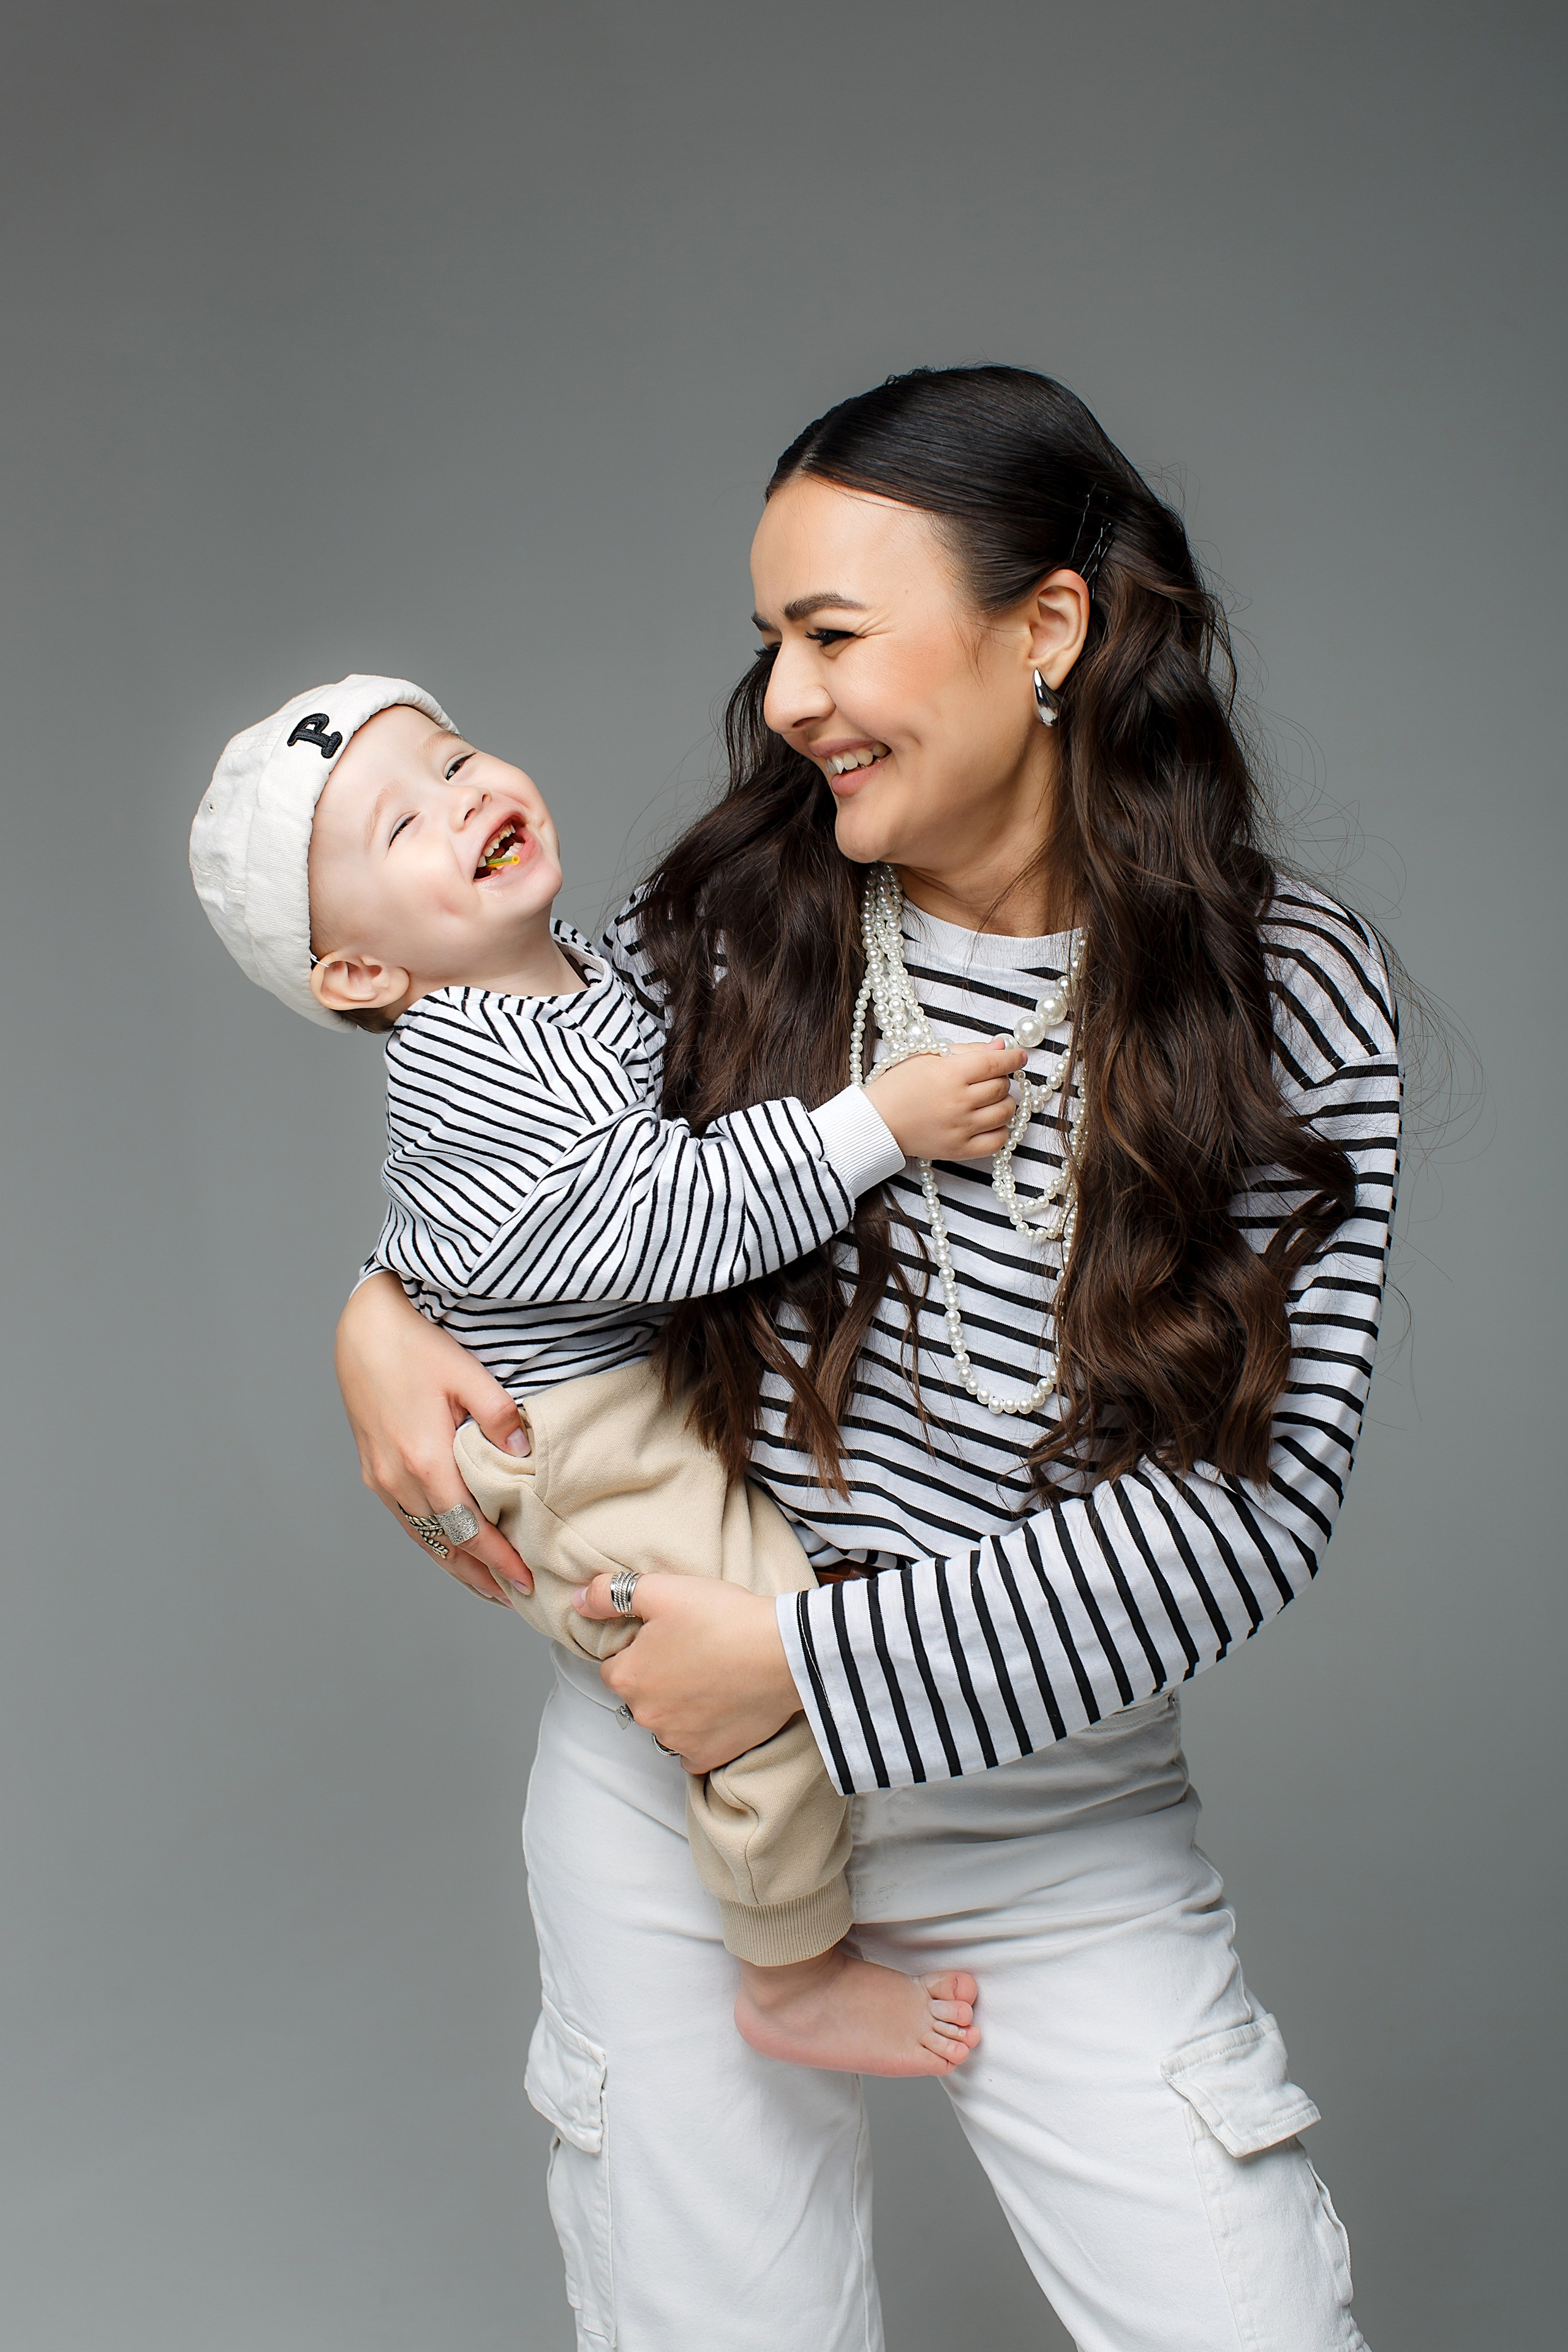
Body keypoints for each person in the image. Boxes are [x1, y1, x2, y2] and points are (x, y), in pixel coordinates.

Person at [335, 366, 1399, 2351]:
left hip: (1042, 1824)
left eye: (836, 633)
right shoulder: (735, 915)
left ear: (1048, 631)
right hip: (675, 1803)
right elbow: (537, 1198)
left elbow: (1249, 1513)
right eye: (773, 642)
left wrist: (802, 1666)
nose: (790, 695)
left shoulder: (1289, 992)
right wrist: (376, 1317)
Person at [190, 672, 1025, 2072]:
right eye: (402, 827)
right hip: (565, 1436)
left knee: (769, 1625)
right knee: (753, 1653)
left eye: (454, 761)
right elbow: (664, 1220)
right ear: (359, 977)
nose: (462, 803)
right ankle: (791, 1972)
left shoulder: (571, 961)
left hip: (620, 1385)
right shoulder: (465, 1065)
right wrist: (876, 1128)